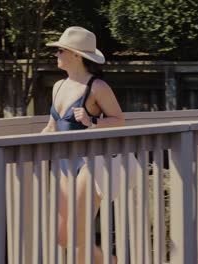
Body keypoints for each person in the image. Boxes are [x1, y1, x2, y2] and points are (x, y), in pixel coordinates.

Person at [41, 26, 124, 264]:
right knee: (63, 236)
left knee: (78, 235)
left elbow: (119, 120)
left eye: (60, 50)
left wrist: (92, 121)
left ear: (76, 55)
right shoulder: (58, 87)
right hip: (63, 165)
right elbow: (51, 127)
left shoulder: (97, 87)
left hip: (90, 163)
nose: (56, 54)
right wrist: (21, 149)